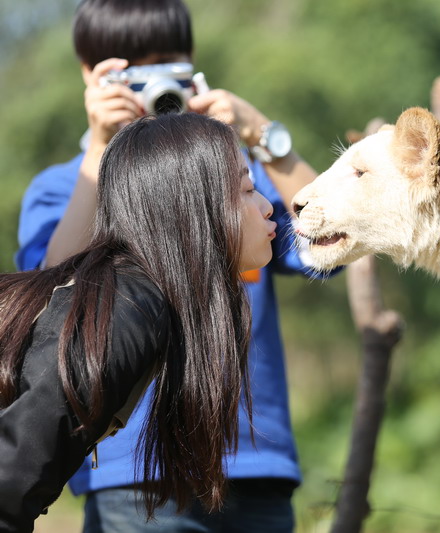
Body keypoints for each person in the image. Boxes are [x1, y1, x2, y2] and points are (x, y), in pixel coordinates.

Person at [15, 0, 326, 531]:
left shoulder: (240, 180)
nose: (155, 88)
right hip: (132, 473)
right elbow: (55, 304)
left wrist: (264, 137)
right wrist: (98, 151)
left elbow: (328, 247)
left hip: (256, 460)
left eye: (170, 66)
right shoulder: (64, 187)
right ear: (92, 78)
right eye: (134, 74)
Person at [1, 113, 276, 532]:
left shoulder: (134, 295)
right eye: (247, 189)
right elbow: (10, 479)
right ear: (192, 206)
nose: (266, 206)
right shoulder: (130, 307)